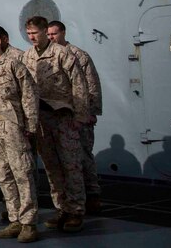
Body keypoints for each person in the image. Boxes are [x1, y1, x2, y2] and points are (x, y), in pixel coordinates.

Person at [23, 16, 89, 233]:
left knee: (71, 164)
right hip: (42, 119)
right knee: (51, 167)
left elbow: (79, 86)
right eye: (29, 33)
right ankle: (61, 207)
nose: (32, 37)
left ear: (44, 31)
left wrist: (80, 117)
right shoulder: (28, 57)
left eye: (36, 32)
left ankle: (76, 210)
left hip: (63, 117)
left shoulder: (62, 54)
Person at [0, 26, 40, 243]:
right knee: (3, 175)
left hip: (12, 125)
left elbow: (29, 96)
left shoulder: (14, 64)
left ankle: (29, 222)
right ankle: (14, 218)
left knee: (22, 173)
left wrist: (31, 127)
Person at [47, 20, 103, 213]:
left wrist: (91, 112)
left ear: (63, 33)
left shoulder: (78, 55)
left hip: (81, 115)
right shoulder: (49, 57)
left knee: (85, 156)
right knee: (67, 160)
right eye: (49, 35)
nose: (51, 38)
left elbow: (91, 85)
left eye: (54, 34)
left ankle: (93, 195)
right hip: (61, 117)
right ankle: (70, 200)